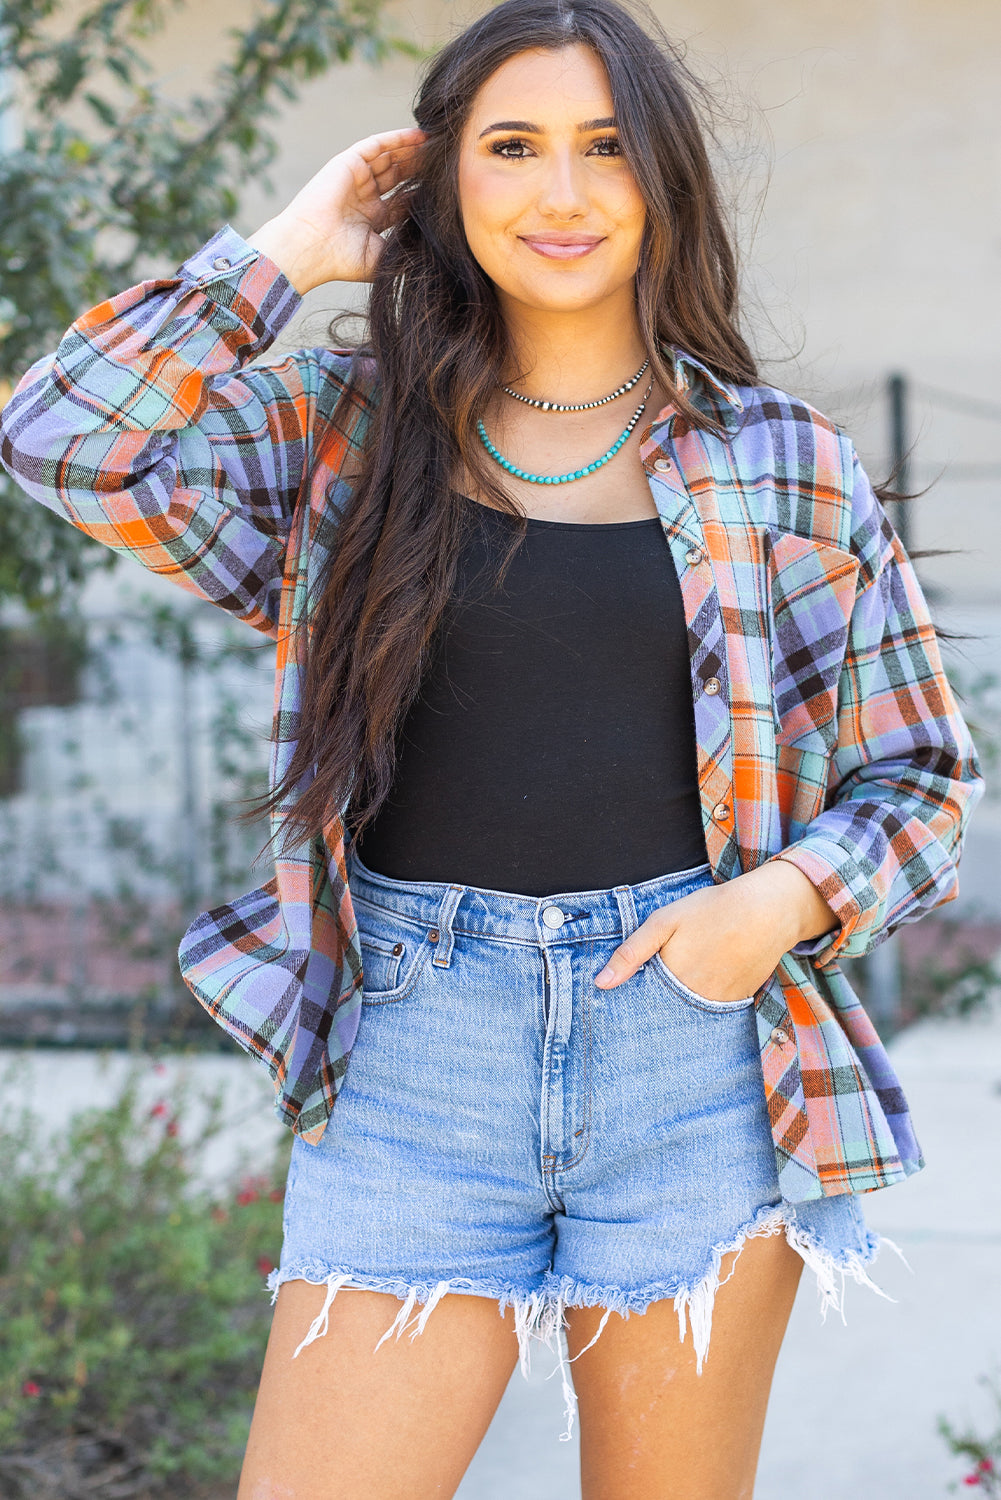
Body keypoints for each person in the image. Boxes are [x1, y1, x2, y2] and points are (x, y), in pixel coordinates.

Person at [0, 0, 983, 1494]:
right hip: (411, 1063)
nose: (563, 194)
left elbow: (920, 778)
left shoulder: (781, 463)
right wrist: (285, 248)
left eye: (603, 148)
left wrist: (767, 910)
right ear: (439, 177)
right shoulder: (339, 433)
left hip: (696, 1062)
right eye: (511, 147)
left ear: (662, 179)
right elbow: (66, 440)